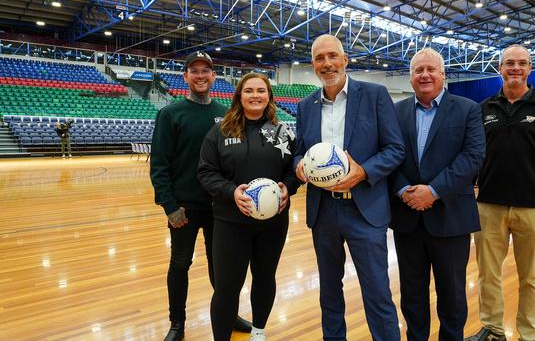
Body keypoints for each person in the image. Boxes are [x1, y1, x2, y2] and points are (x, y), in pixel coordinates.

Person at [294, 34, 405, 341]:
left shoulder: (375, 95)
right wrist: (299, 165)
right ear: (314, 65)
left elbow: (396, 149)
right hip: (324, 211)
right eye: (319, 58)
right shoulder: (305, 106)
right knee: (329, 292)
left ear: (345, 60)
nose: (327, 64)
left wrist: (363, 172)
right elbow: (298, 151)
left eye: (332, 56)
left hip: (364, 210)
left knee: (377, 292)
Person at [465, 45, 535, 341]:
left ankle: (530, 334)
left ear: (529, 68)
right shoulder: (483, 109)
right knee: (488, 275)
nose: (515, 68)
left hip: (533, 208)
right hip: (488, 206)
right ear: (500, 68)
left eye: (521, 63)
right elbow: (473, 157)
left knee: (531, 278)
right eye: (509, 63)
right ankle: (493, 329)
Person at [150, 51, 251, 341]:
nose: (201, 75)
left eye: (206, 70)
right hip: (184, 208)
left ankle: (227, 314)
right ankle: (177, 324)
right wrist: (169, 206)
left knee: (221, 266)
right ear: (186, 77)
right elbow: (159, 164)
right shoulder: (171, 113)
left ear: (214, 76)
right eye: (194, 71)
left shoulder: (225, 114)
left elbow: (232, 161)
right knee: (180, 264)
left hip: (219, 206)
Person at [389, 48, 485, 341]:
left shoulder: (468, 109)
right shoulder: (397, 111)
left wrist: (434, 191)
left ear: (443, 75)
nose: (425, 75)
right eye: (418, 70)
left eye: (431, 69)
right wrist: (404, 188)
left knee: (452, 296)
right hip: (407, 218)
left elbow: (473, 157)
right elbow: (388, 155)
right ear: (410, 77)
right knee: (412, 295)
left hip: (451, 217)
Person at [197, 72, 301, 341]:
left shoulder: (281, 131)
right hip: (231, 223)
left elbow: (294, 171)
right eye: (249, 90)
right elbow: (206, 173)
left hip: (273, 223)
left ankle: (258, 331)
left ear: (269, 96)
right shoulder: (221, 131)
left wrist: (287, 188)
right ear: (239, 96)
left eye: (261, 90)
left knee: (265, 277)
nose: (255, 95)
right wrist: (232, 192)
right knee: (226, 287)